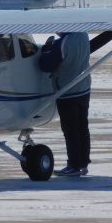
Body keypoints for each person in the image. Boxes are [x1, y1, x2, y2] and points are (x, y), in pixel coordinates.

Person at [39, 32, 91, 177]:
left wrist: (45, 50)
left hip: (67, 91)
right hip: (84, 89)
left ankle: (74, 165)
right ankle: (83, 163)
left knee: (70, 130)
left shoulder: (61, 43)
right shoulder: (84, 35)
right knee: (82, 127)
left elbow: (45, 65)